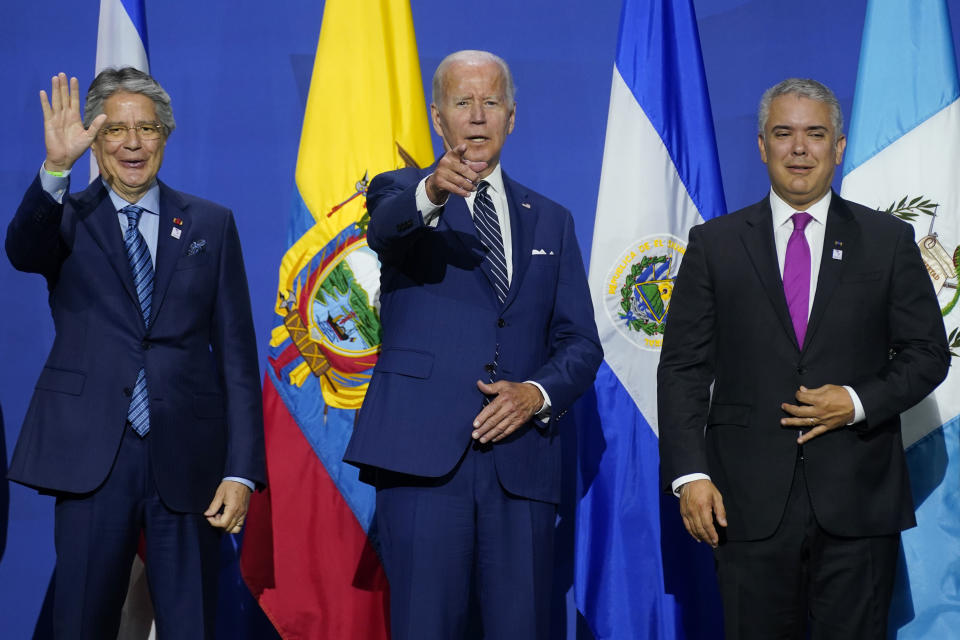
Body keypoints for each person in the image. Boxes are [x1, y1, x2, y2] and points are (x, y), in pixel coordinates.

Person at [658, 77, 950, 639]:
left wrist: (858, 401)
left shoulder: (886, 239)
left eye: (815, 134)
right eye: (784, 133)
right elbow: (683, 370)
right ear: (761, 144)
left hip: (858, 501)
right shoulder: (714, 244)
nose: (799, 148)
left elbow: (927, 354)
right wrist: (690, 474)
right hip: (742, 503)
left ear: (838, 148)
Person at [343, 50, 602, 639]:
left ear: (513, 117)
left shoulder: (551, 219)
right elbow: (386, 229)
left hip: (521, 466)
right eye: (464, 103)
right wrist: (433, 189)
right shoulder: (403, 191)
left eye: (491, 103)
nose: (478, 116)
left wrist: (536, 394)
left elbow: (580, 342)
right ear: (440, 119)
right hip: (422, 460)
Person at [5, 68, 265, 639]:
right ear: (95, 140)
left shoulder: (210, 224)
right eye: (115, 130)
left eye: (146, 128)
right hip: (92, 455)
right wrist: (55, 169)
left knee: (192, 623)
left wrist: (242, 471)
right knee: (79, 623)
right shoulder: (67, 218)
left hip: (189, 460)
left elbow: (239, 359)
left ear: (165, 137)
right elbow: (22, 250)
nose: (131, 143)